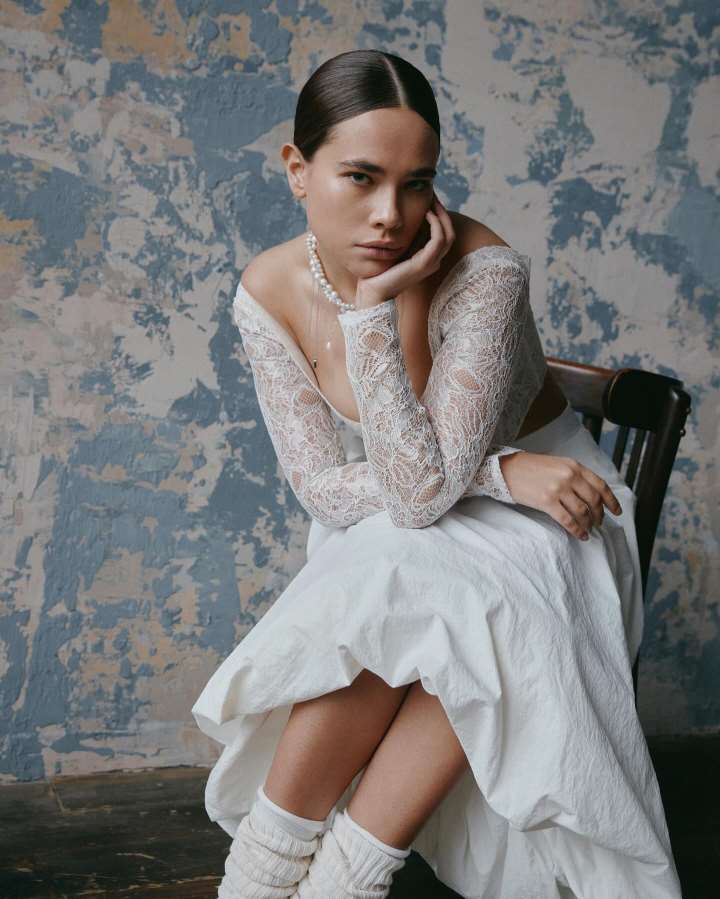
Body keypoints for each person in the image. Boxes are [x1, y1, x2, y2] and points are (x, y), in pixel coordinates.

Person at [192, 49, 682, 899]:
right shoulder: (268, 289)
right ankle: (262, 877)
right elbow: (328, 488)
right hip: (461, 497)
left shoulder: (485, 271)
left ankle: (336, 884)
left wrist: (374, 311)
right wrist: (501, 470)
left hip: (560, 510)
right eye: (360, 177)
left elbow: (420, 493)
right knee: (404, 571)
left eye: (416, 183)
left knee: (438, 589)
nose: (391, 214)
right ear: (298, 170)